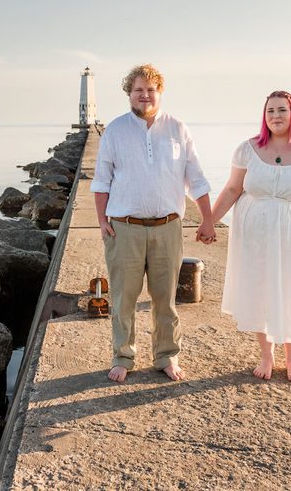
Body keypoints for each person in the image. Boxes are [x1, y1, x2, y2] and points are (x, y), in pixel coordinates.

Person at [92, 64, 216, 382]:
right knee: (124, 298)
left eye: (150, 89)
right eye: (138, 90)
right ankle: (123, 356)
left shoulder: (178, 129)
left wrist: (208, 219)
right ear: (129, 93)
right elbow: (101, 180)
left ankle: (166, 356)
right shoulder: (115, 131)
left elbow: (196, 178)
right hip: (124, 227)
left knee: (166, 299)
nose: (145, 95)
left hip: (168, 227)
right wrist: (101, 221)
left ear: (159, 92)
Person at [211, 90, 291, 381]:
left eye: (282, 110)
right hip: (255, 233)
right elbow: (232, 189)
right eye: (270, 111)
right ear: (264, 116)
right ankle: (267, 355)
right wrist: (209, 222)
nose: (276, 116)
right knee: (259, 288)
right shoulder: (248, 148)